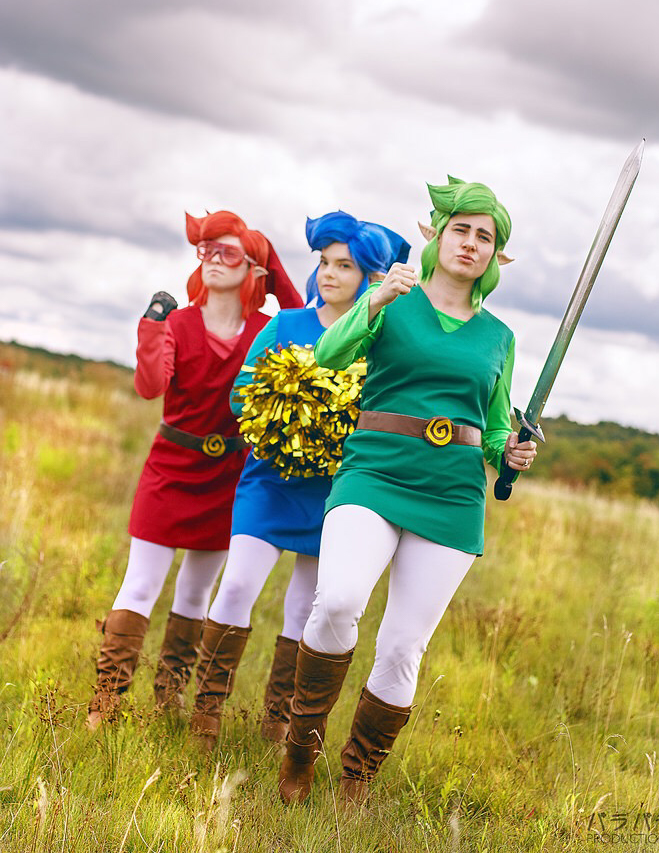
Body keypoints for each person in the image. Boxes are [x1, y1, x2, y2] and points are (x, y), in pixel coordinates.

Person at [277, 177, 539, 805]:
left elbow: (494, 426)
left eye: (484, 236)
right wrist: (373, 301)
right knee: (338, 600)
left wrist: (509, 451)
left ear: (496, 256)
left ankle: (355, 783)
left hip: (452, 495)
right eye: (460, 230)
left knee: (402, 647)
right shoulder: (391, 299)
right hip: (373, 471)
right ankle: (301, 747)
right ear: (435, 235)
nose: (470, 243)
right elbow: (328, 356)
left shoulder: (499, 337)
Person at [189, 211, 410, 752]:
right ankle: (205, 714)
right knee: (236, 585)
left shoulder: (376, 338)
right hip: (269, 480)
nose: (330, 274)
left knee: (304, 606)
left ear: (369, 277)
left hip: (331, 491)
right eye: (325, 263)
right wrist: (286, 422)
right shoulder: (285, 324)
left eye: (344, 266)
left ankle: (277, 720)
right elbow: (241, 395)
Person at [86, 210, 302, 729]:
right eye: (206, 250)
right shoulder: (178, 322)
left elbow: (304, 320)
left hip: (229, 475)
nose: (212, 260)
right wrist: (151, 327)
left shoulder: (266, 329)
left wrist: (274, 267)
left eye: (227, 252)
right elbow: (149, 387)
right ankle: (105, 705)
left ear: (253, 267)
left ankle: (169, 698)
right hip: (170, 467)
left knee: (195, 593)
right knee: (140, 585)